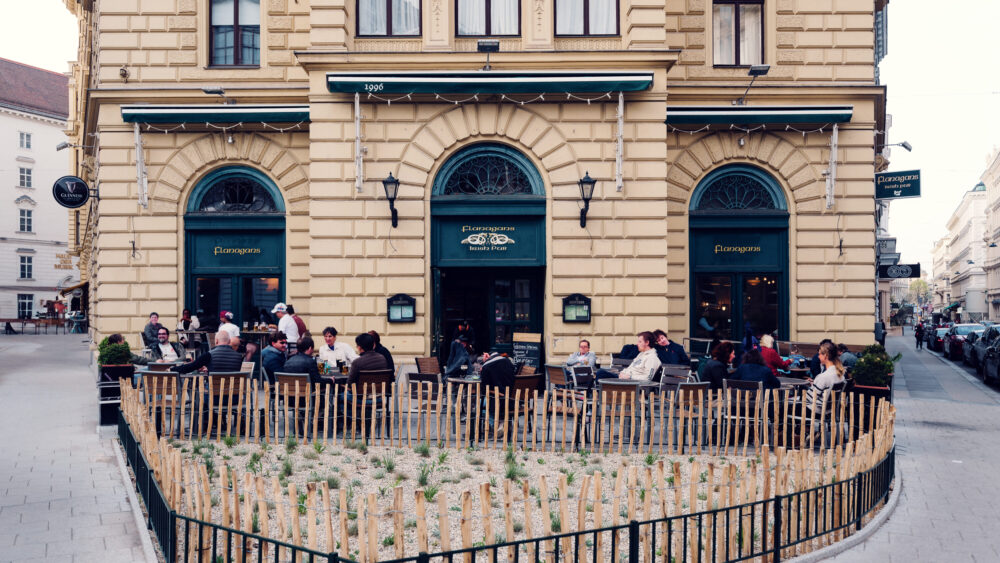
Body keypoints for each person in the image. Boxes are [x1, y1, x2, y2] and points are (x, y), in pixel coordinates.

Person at [596, 331, 661, 381]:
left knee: (600, 373)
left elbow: (648, 378)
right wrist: (622, 373)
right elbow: (630, 368)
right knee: (601, 372)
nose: (637, 344)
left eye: (640, 342)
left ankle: (596, 395)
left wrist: (630, 377)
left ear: (647, 342)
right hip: (625, 380)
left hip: (632, 384)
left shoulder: (652, 358)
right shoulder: (641, 354)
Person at [173, 331, 245, 374]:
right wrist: (209, 367)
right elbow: (226, 369)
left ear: (216, 341)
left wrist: (172, 369)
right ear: (229, 341)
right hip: (234, 395)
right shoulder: (239, 356)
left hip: (214, 396)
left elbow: (189, 367)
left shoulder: (209, 355)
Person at [805, 341, 846, 411]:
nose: (818, 356)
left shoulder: (823, 377)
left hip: (815, 411)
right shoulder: (841, 375)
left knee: (787, 405)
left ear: (825, 356)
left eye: (820, 354)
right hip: (830, 411)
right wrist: (814, 383)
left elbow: (808, 399)